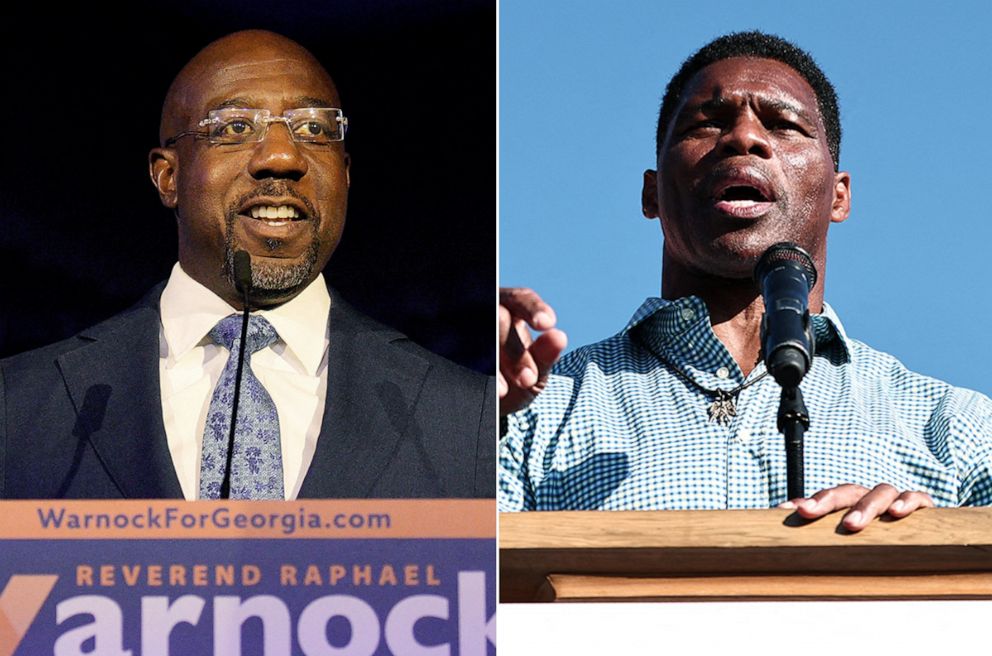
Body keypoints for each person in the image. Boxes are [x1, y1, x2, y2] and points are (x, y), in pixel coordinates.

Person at [498, 31, 992, 527]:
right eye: (707, 123)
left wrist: (936, 551)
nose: (744, 138)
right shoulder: (529, 411)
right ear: (651, 194)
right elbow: (452, 585)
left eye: (783, 124)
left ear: (838, 196)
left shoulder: (956, 429)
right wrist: (463, 417)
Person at [0, 30, 495, 500]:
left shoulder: (467, 418)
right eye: (235, 127)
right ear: (167, 176)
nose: (282, 156)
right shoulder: (17, 405)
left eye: (314, 129)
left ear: (345, 176)